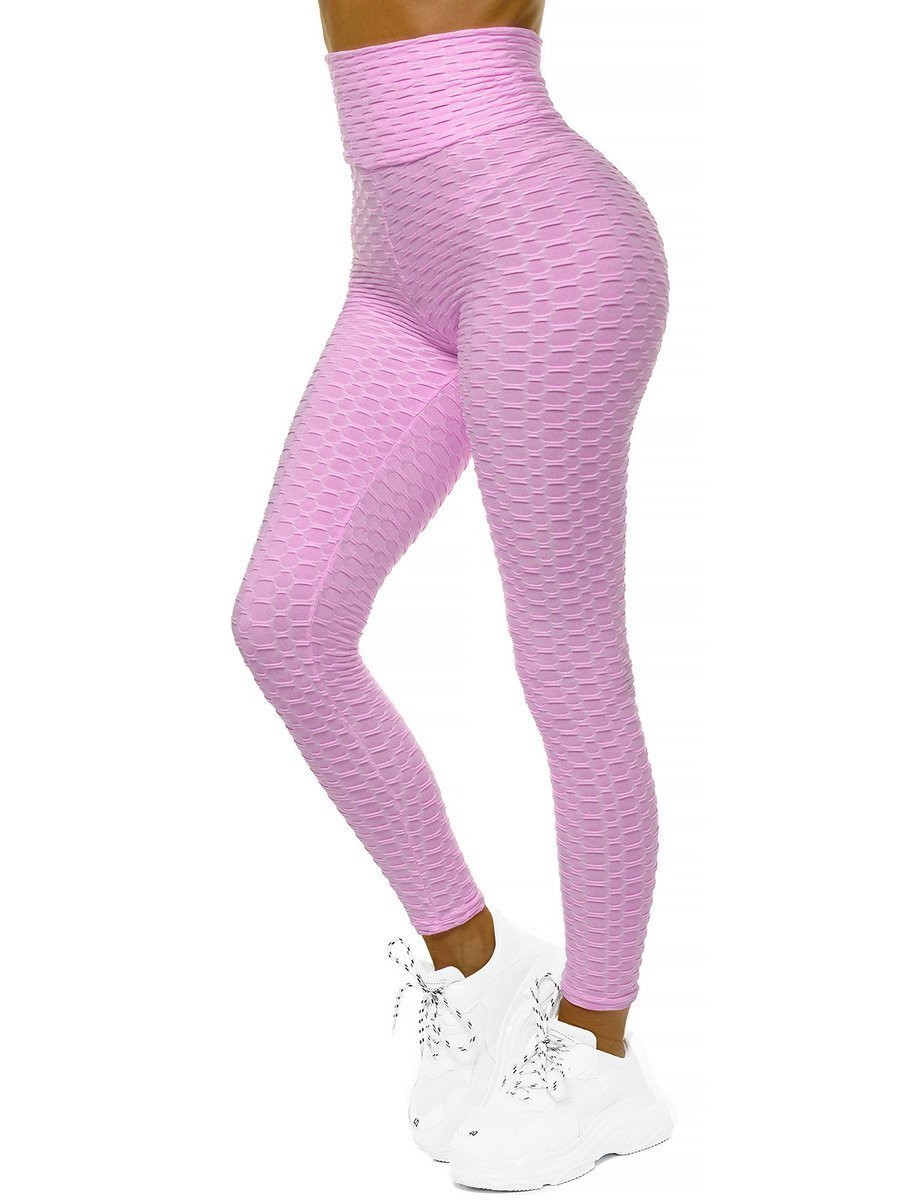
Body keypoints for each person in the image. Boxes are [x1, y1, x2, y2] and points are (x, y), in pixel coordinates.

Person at [233, 1, 672, 1187]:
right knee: (284, 621)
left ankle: (599, 1047)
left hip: (545, 240)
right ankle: (478, 962)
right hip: (393, 264)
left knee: (567, 663)